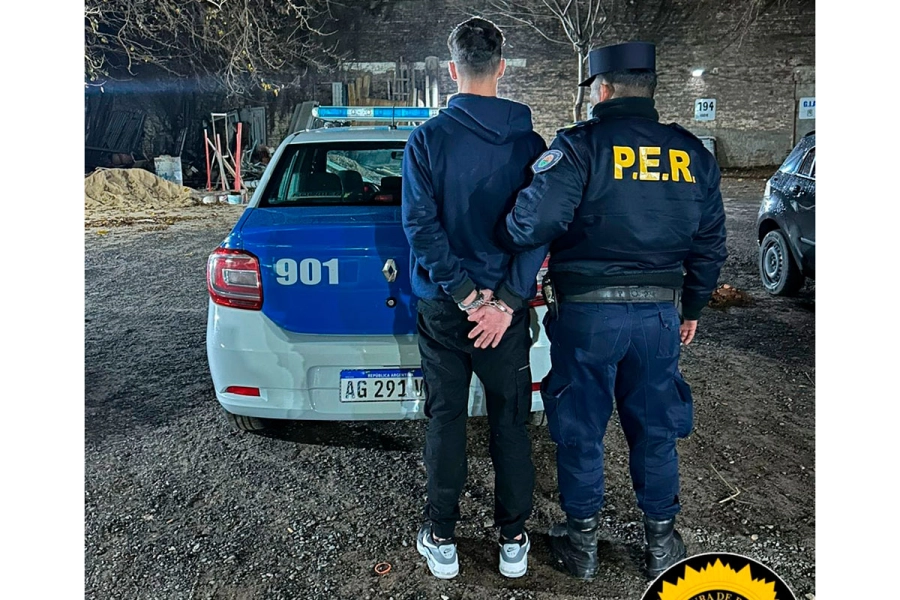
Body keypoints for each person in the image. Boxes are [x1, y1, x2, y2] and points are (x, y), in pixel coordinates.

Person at [494, 41, 728, 580]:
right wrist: (692, 305)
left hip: (587, 317)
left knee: (580, 426)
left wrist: (505, 226)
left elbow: (532, 224)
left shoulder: (580, 147)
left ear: (602, 90)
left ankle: (582, 547)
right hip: (660, 317)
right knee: (656, 428)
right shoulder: (691, 153)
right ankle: (661, 546)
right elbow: (711, 243)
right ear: (650, 90)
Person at [401, 17, 549, 580]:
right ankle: (513, 541)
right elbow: (539, 231)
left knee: (446, 419)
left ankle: (442, 538)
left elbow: (420, 226)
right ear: (502, 67)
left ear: (451, 70)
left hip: (446, 307)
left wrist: (466, 295)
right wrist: (504, 302)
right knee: (510, 422)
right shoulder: (531, 145)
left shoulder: (427, 140)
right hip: (505, 313)